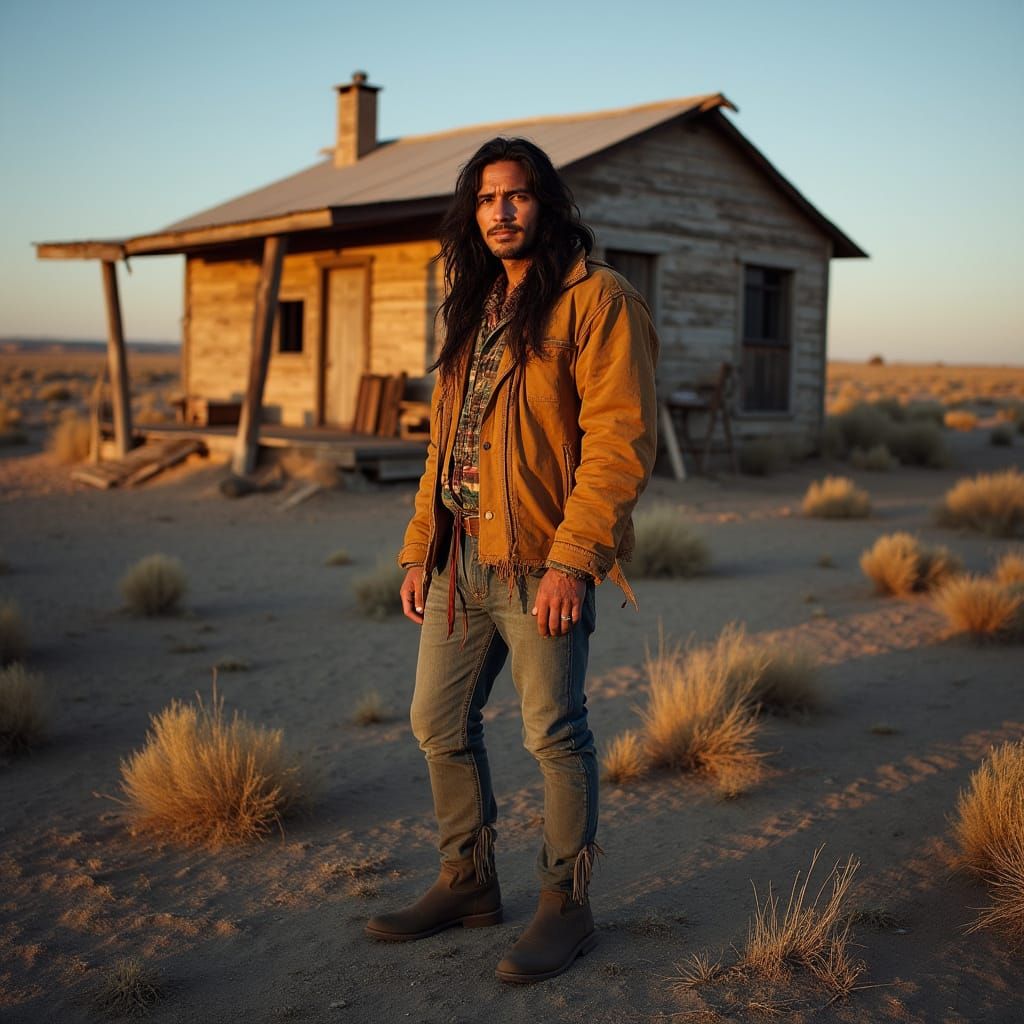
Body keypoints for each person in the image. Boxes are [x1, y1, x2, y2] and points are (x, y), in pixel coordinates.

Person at [365, 137, 658, 983]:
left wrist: (573, 561)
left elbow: (617, 442)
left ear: (548, 204)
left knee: (553, 734)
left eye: (518, 195)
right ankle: (466, 881)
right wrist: (421, 547)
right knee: (436, 723)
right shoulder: (477, 304)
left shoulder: (596, 300)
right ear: (474, 212)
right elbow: (443, 443)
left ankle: (567, 905)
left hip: (539, 561)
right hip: (461, 558)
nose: (501, 210)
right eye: (487, 198)